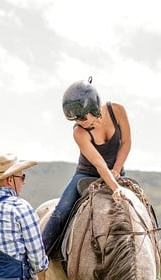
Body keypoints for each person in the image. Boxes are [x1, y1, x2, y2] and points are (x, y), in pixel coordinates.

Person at [41, 76, 131, 260]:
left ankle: (150, 268)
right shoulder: (79, 132)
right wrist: (115, 188)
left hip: (117, 172)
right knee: (61, 211)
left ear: (94, 106)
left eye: (82, 117)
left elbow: (127, 143)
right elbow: (98, 163)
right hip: (86, 174)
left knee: (142, 209)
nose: (80, 122)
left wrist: (116, 171)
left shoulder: (117, 110)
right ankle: (38, 262)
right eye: (75, 119)